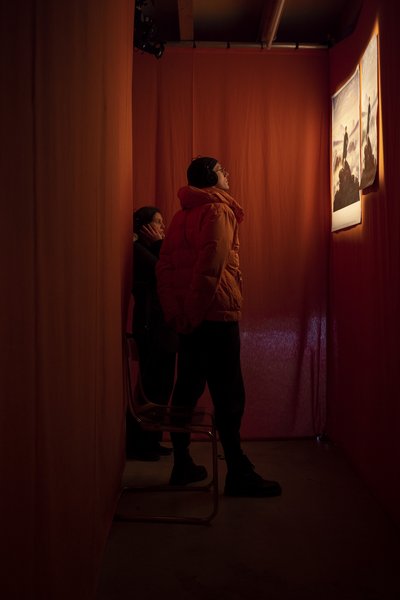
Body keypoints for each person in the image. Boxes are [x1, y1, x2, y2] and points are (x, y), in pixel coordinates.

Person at [156, 156, 282, 497]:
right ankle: (238, 473)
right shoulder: (218, 210)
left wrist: (178, 315)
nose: (227, 174)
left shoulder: (181, 216)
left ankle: (182, 464)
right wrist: (194, 314)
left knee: (186, 389)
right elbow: (210, 269)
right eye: (222, 170)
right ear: (210, 177)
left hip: (191, 321)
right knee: (229, 395)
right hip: (215, 317)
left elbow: (164, 269)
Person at [126, 206, 178, 461]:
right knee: (152, 385)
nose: (162, 227)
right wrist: (158, 244)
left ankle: (151, 439)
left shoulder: (145, 250)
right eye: (157, 222)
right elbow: (166, 273)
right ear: (144, 227)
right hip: (151, 327)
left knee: (162, 385)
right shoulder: (137, 250)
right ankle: (140, 443)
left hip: (160, 326)